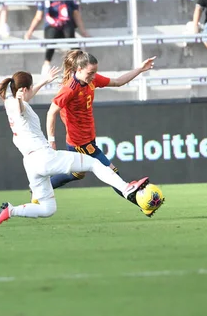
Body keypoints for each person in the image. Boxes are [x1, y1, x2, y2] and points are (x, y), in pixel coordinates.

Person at [0, 68, 150, 228]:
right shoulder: (18, 104)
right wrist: (20, 100)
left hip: (31, 164)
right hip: (44, 156)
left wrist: (43, 81)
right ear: (24, 90)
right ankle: (127, 188)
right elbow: (21, 108)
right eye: (31, 87)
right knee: (94, 163)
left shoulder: (9, 102)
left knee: (47, 209)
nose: (32, 91)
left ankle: (10, 211)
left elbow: (25, 99)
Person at [45, 50, 159, 216]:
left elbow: (119, 82)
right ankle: (143, 204)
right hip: (81, 143)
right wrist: (51, 140)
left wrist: (139, 69)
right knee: (113, 173)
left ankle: (42, 187)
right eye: (90, 73)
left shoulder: (91, 80)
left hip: (87, 140)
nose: (93, 76)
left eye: (94, 72)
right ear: (78, 69)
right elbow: (51, 112)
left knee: (76, 174)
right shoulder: (70, 89)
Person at [24, 0, 88, 76]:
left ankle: (80, 64)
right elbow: (38, 16)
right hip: (52, 26)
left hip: (66, 25)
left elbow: (76, 14)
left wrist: (83, 31)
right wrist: (29, 32)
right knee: (52, 35)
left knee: (69, 33)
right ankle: (46, 64)